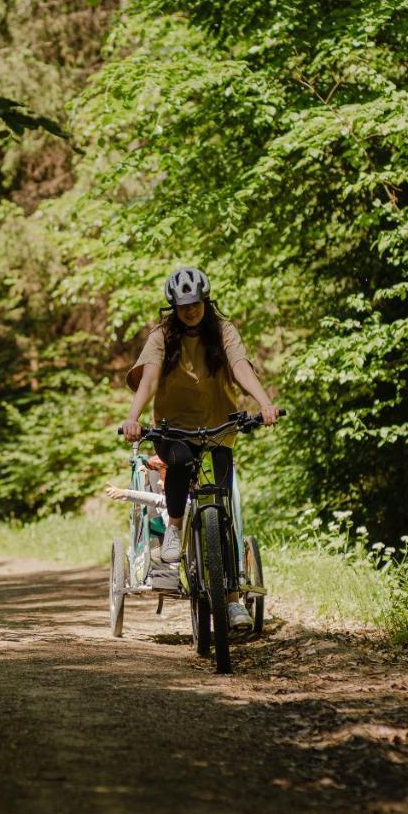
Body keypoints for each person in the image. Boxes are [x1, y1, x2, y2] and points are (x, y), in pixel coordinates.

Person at [120, 266, 280, 631]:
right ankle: (174, 529)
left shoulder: (223, 331)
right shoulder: (162, 336)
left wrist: (264, 401)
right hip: (173, 426)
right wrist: (133, 417)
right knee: (177, 464)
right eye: (183, 305)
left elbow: (240, 366)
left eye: (195, 304)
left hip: (218, 426)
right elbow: (149, 377)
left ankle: (232, 599)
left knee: (219, 505)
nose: (190, 311)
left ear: (205, 301)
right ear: (173, 306)